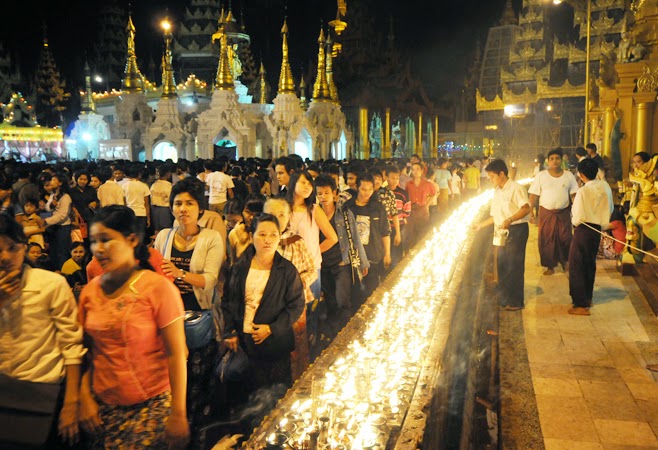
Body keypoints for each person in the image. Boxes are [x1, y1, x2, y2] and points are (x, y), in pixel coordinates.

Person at [78, 206, 190, 449]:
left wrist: (178, 413)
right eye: (94, 241)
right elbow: (87, 351)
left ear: (131, 240)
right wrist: (84, 397)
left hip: (151, 406)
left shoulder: (158, 288)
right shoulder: (90, 291)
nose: (97, 249)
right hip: (103, 409)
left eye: (106, 240)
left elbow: (177, 354)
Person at [0, 214, 85, 449]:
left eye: (12, 248)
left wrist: (71, 402)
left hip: (42, 392)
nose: (5, 257)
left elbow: (72, 345)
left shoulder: (50, 284)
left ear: (24, 248)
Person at [152, 177, 223, 442]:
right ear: (171, 208)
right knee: (169, 383)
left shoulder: (211, 238)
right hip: (167, 320)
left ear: (200, 208)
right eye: (178, 203)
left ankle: (193, 436)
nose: (183, 208)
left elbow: (210, 280)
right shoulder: (163, 237)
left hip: (197, 320)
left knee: (194, 385)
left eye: (189, 203)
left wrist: (180, 273)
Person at [222, 213, 305, 398]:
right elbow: (227, 300)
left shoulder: (286, 270)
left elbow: (296, 305)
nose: (267, 240)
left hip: (274, 346)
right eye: (262, 234)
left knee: (273, 397)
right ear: (252, 236)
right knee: (245, 396)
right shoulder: (239, 267)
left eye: (273, 235)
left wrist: (272, 328)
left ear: (279, 237)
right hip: (243, 343)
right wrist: (230, 331)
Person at [263, 197, 317, 378]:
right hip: (265, 306)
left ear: (288, 217)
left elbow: (311, 270)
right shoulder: (257, 241)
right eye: (271, 214)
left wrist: (294, 286)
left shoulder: (296, 242)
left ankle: (298, 382)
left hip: (294, 304)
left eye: (281, 214)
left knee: (297, 343)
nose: (277, 218)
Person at [287, 170, 338, 346]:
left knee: (310, 309)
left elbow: (332, 238)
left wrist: (312, 254)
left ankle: (311, 345)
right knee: (290, 311)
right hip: (286, 271)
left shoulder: (314, 210)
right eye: (304, 183)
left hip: (310, 270)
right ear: (293, 183)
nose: (308, 187)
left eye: (310, 184)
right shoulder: (283, 209)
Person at [315, 175, 370, 336]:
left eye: (326, 193)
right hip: (322, 266)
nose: (323, 197)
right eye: (319, 193)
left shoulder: (344, 214)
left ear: (335, 194)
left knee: (342, 301)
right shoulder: (314, 215)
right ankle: (333, 335)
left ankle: (346, 336)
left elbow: (355, 238)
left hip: (341, 264)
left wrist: (363, 262)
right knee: (330, 302)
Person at [474, 159, 531, 311]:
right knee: (503, 264)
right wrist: (480, 225)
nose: (490, 180)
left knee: (514, 265)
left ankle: (516, 301)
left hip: (516, 230)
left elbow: (526, 209)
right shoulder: (497, 191)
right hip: (502, 231)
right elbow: (495, 216)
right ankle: (504, 298)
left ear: (501, 173)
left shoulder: (515, 188)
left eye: (492, 176)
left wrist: (510, 219)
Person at [567, 158, 614, 316]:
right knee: (589, 264)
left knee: (576, 265)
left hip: (583, 229)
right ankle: (587, 298)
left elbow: (577, 217)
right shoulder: (605, 186)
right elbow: (611, 208)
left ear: (580, 175)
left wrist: (574, 221)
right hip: (597, 230)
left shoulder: (583, 191)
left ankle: (580, 304)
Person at [528, 148, 579, 275]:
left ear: (561, 160)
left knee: (566, 238)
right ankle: (550, 266)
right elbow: (533, 195)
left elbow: (574, 195)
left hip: (563, 213)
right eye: (552, 159)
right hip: (546, 213)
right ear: (548, 161)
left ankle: (565, 261)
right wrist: (530, 211)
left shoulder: (568, 176)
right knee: (547, 239)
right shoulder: (541, 176)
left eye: (557, 158)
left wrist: (578, 210)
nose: (555, 161)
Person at [345, 173, 391, 308]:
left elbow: (385, 232)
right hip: (354, 258)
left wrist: (387, 253)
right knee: (355, 293)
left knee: (372, 292)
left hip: (374, 256)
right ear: (357, 187)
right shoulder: (349, 208)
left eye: (370, 189)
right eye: (363, 189)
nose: (367, 193)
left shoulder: (377, 208)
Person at [43, 173, 73, 270]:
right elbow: (47, 208)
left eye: (53, 180)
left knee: (62, 253)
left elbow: (62, 215)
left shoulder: (66, 197)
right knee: (54, 251)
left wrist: (46, 221)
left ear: (60, 183)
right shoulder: (53, 194)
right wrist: (51, 205)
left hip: (63, 227)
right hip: (54, 226)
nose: (51, 182)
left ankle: (63, 272)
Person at [405, 162, 436, 246]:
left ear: (422, 171)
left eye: (417, 169)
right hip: (411, 210)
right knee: (411, 233)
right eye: (413, 169)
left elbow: (434, 194)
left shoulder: (427, 184)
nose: (415, 171)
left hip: (422, 209)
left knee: (422, 231)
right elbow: (406, 197)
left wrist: (427, 205)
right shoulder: (408, 184)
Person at [150, 163, 174, 233]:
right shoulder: (169, 187)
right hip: (165, 211)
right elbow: (170, 201)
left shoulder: (153, 185)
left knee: (157, 230)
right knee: (166, 231)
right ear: (168, 174)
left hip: (154, 210)